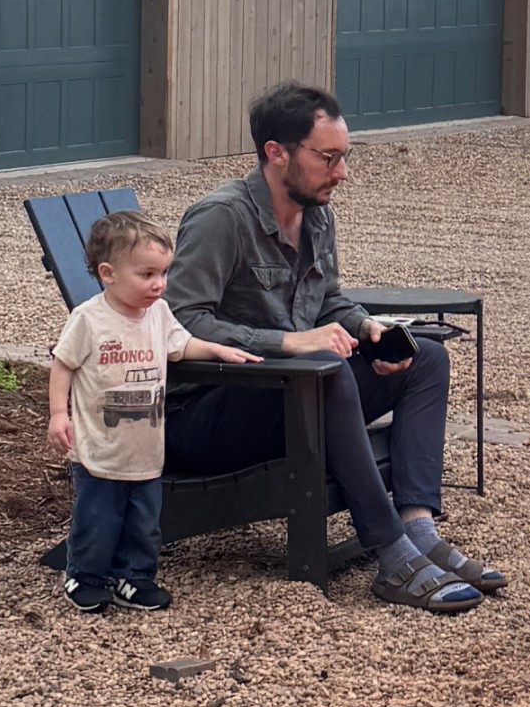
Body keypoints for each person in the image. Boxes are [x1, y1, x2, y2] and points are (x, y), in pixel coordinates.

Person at [165, 81, 504, 614]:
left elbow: (329, 302)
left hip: (290, 395)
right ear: (276, 152)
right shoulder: (220, 218)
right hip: (208, 413)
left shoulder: (317, 215)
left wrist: (364, 328)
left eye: (343, 157)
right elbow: (179, 322)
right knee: (324, 368)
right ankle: (388, 549)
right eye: (328, 157)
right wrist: (288, 342)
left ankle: (417, 528)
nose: (341, 172)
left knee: (427, 359)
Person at [48, 209, 258, 614]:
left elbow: (181, 345)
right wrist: (60, 414)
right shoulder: (89, 320)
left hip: (146, 448)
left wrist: (215, 349)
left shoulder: (158, 314)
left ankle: (134, 577)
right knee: (99, 519)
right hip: (99, 451)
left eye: (163, 273)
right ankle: (86, 576)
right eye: (147, 275)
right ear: (108, 273)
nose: (159, 284)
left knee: (144, 522)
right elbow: (63, 365)